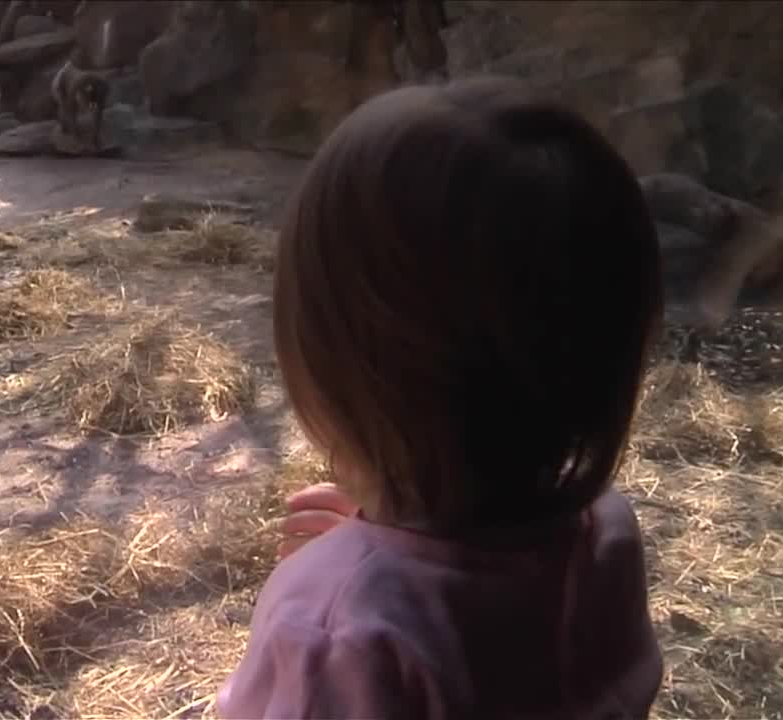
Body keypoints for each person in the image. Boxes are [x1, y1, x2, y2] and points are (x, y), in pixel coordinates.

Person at [217, 75, 664, 719]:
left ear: (339, 367)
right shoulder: (607, 534)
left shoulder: (338, 635)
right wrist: (390, 567)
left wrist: (360, 583)